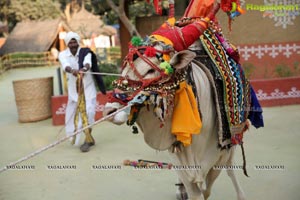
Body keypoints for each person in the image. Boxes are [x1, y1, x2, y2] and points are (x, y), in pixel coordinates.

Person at [58, 31, 105, 152]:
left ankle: (87, 140)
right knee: (72, 116)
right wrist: (73, 70)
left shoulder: (85, 52)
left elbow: (88, 63)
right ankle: (86, 138)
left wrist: (83, 69)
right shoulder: (62, 54)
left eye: (74, 42)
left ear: (78, 42)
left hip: (88, 89)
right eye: (70, 42)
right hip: (74, 91)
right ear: (67, 44)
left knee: (89, 112)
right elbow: (65, 65)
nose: (73, 44)